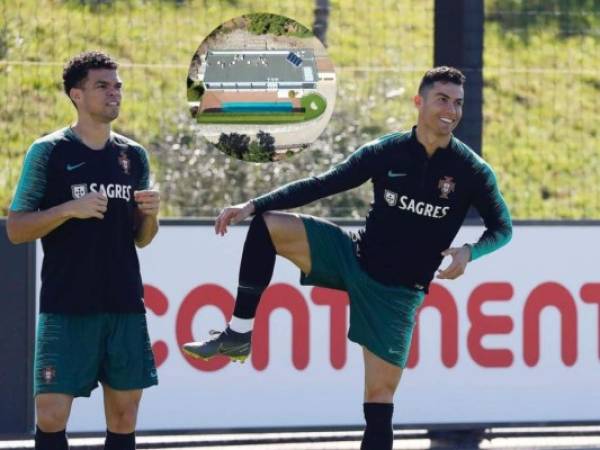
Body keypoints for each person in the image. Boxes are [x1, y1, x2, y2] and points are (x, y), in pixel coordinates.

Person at [183, 66, 512, 450]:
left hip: (398, 292)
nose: (451, 111)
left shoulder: (471, 170)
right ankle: (237, 335)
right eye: (442, 99)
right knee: (268, 225)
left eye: (458, 103)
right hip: (353, 255)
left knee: (379, 400)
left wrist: (470, 251)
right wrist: (253, 205)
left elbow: (502, 229)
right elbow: (323, 184)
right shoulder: (386, 151)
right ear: (419, 102)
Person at [6, 51, 160, 450]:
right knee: (52, 415)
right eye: (102, 86)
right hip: (66, 304)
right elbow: (17, 229)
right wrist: (68, 209)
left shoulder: (133, 156)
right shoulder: (49, 151)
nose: (114, 93)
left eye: (118, 86)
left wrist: (151, 216)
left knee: (125, 416)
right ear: (76, 94)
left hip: (124, 303)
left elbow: (142, 238)